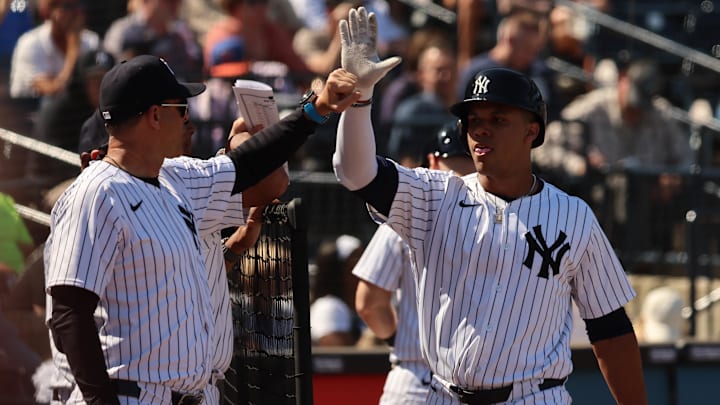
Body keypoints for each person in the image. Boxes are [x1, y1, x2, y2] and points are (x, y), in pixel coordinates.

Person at [332, 7, 647, 404]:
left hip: (533, 397)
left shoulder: (573, 215)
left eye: (498, 118)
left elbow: (610, 328)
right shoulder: (435, 195)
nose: (480, 128)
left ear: (532, 131)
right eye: (473, 118)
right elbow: (355, 173)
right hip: (442, 395)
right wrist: (360, 100)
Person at [43, 54, 360, 404]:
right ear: (155, 115)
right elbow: (70, 311)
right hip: (133, 395)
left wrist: (318, 108)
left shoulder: (176, 178)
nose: (188, 121)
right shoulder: (96, 193)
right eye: (182, 108)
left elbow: (247, 165)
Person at [352, 120, 474, 404]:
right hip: (472, 386)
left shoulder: (407, 216)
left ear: (432, 161)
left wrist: (398, 338)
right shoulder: (499, 218)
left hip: (415, 380)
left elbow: (368, 303)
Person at [10, 0, 99, 101]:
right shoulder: (30, 43)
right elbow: (53, 92)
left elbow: (96, 96)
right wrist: (73, 49)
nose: (75, 13)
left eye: (77, 6)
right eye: (68, 7)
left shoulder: (91, 41)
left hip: (74, 113)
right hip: (26, 113)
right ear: (51, 12)